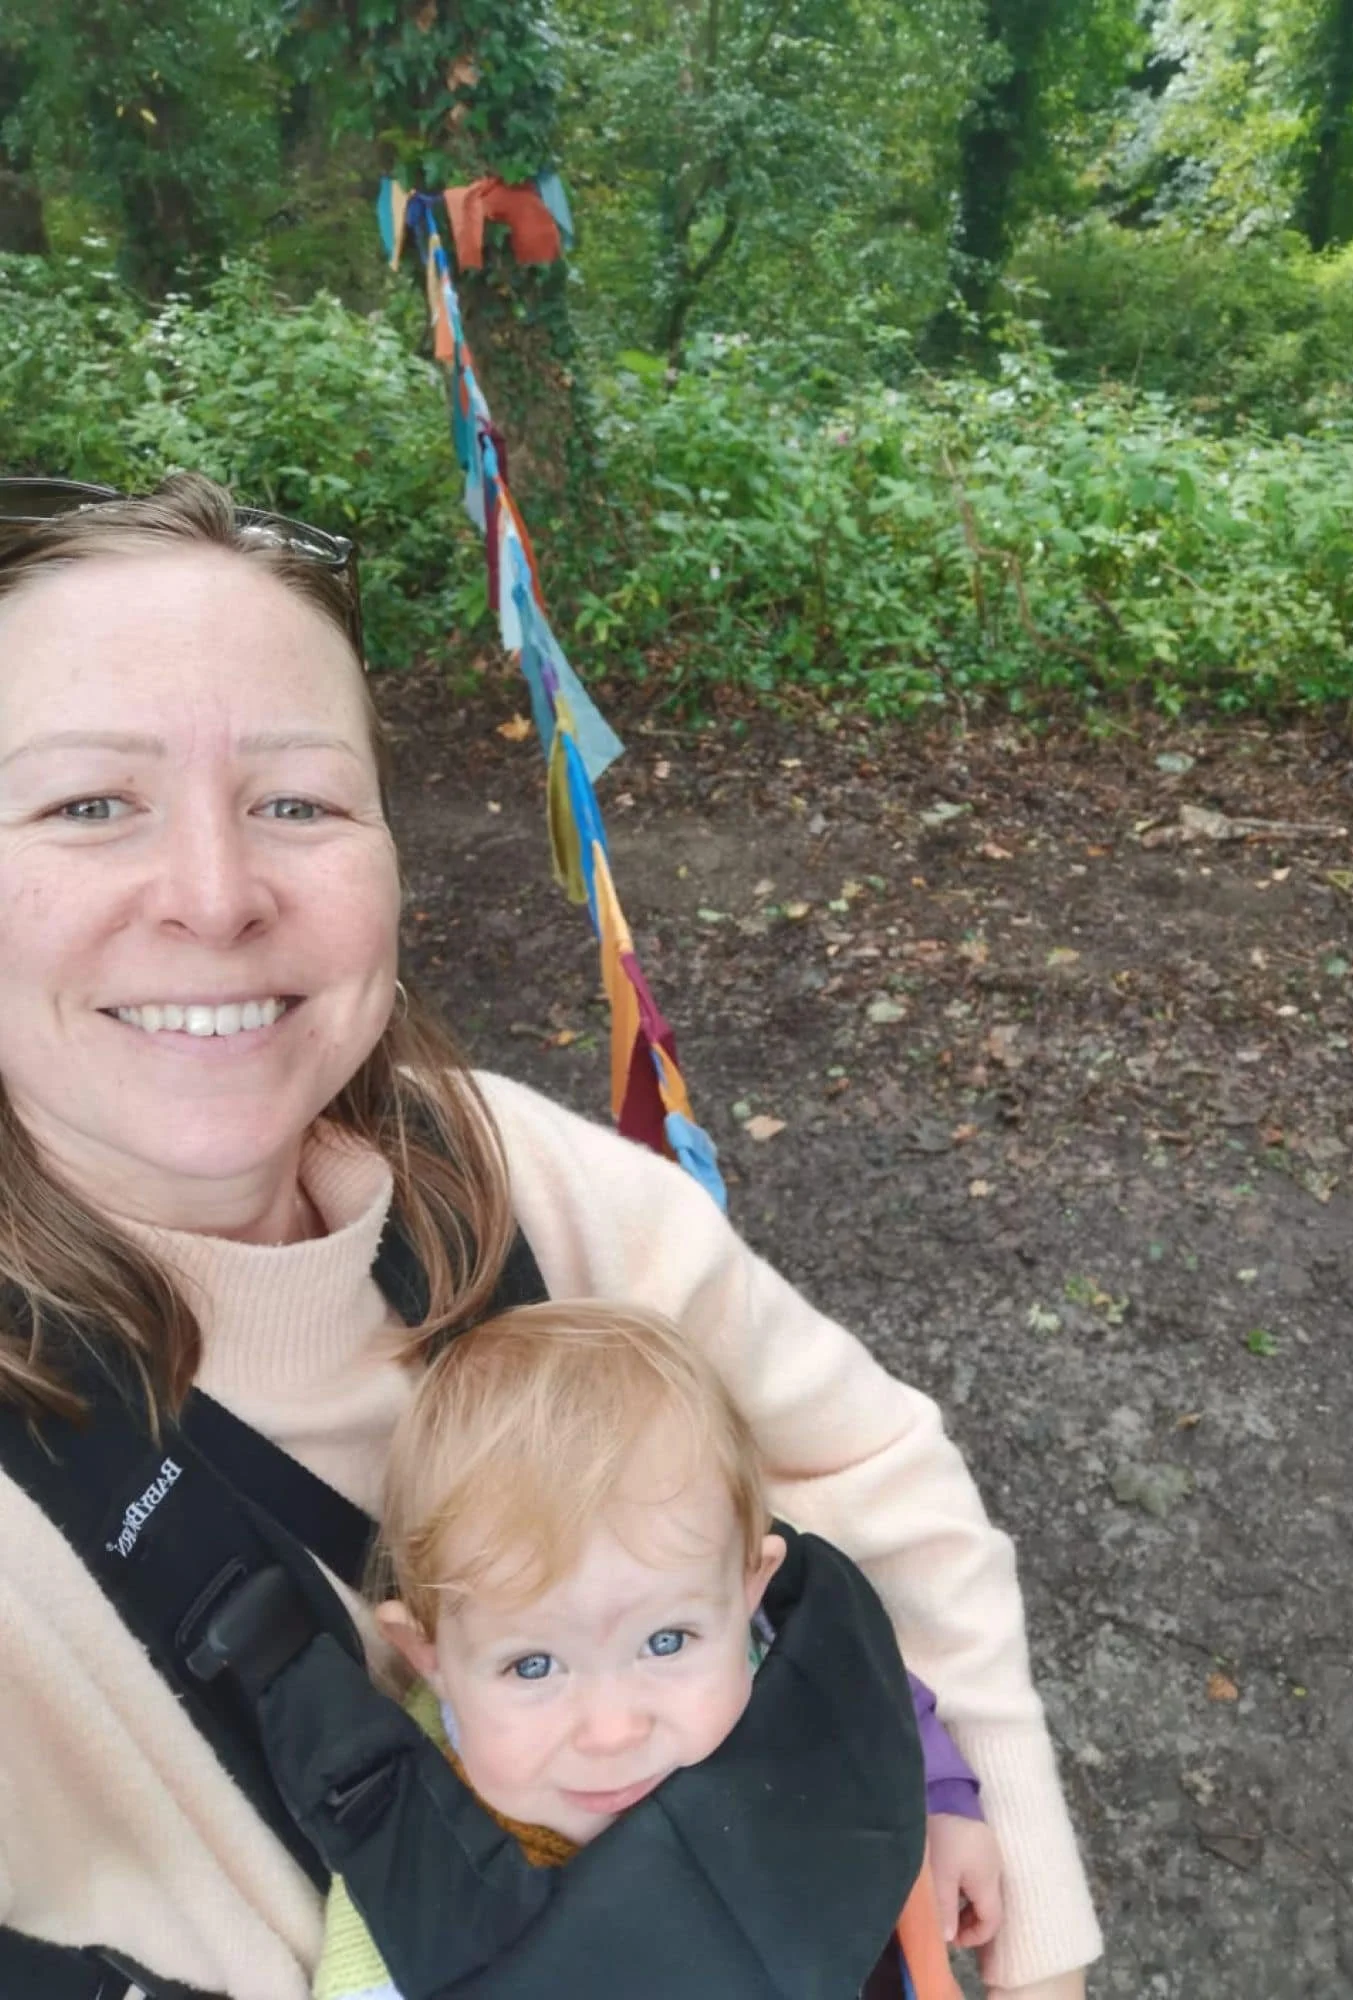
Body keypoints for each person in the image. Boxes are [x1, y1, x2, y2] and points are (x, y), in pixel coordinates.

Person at [0, 473, 1100, 1999]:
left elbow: (862, 1463)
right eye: (88, 804)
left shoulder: (506, 1167)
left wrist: (1022, 1930)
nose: (215, 894)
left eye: (297, 801)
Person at [316, 1298, 1002, 2000]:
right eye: (533, 1665)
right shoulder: (418, 1865)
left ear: (748, 1593)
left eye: (666, 1641)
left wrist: (943, 1800)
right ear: (427, 1654)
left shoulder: (772, 1660)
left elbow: (873, 1702)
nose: (614, 1731)